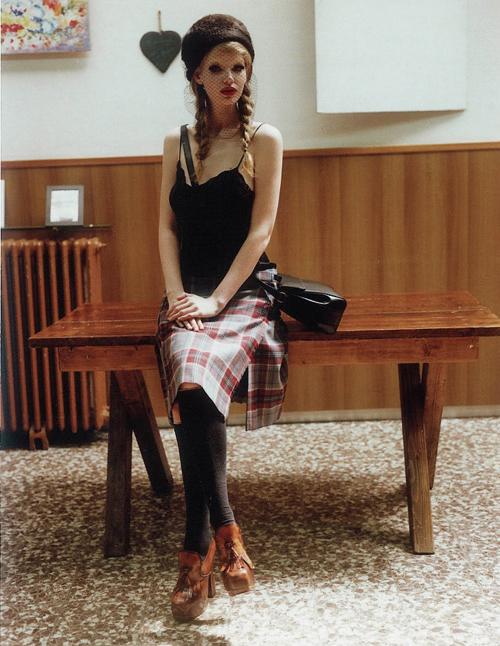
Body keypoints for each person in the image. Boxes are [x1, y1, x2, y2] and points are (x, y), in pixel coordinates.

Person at [154, 13, 288, 622]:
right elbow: (166, 228)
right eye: (216, 68)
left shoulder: (265, 139)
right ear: (195, 75)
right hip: (189, 291)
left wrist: (215, 303)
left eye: (239, 66)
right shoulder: (175, 143)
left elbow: (261, 232)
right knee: (190, 374)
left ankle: (195, 551)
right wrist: (178, 296)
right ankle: (228, 535)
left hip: (245, 290)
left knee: (198, 375)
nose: (230, 77)